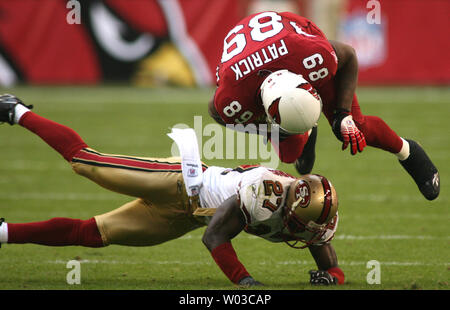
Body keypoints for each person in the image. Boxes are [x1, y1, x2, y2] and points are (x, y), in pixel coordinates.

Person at [0, 94, 344, 287]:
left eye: (307, 228)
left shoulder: (312, 215)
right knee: (85, 162)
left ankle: (3, 233)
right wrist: (245, 283)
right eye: (301, 225)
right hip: (180, 181)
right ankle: (16, 111)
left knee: (93, 234)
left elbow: (333, 267)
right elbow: (215, 237)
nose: (302, 233)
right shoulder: (262, 194)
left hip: (185, 218)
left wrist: (331, 280)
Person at [209, 11, 440, 201]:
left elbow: (348, 56)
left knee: (354, 128)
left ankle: (408, 151)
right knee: (289, 155)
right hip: (256, 67)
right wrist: (265, 129)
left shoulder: (312, 56)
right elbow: (216, 112)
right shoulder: (234, 97)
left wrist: (343, 114)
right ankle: (306, 128)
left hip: (293, 45)